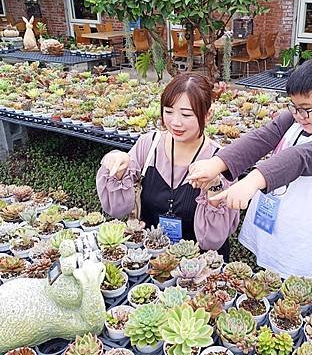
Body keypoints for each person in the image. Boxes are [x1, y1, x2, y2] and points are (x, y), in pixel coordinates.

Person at [187, 57, 312, 281]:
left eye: (306, 109)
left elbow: (302, 157)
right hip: (269, 223)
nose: (299, 114)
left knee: (292, 292)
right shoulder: (294, 120)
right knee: (265, 280)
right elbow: (260, 139)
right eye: (294, 106)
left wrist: (251, 181)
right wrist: (216, 164)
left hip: (300, 238)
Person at [97, 73, 239, 258]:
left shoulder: (220, 160)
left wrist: (214, 188)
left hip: (200, 268)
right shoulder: (149, 145)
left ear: (208, 115)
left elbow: (212, 240)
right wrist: (118, 170)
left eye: (186, 114)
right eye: (169, 111)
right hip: (152, 258)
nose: (175, 122)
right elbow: (117, 210)